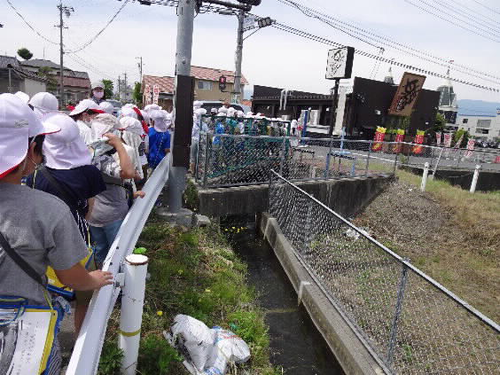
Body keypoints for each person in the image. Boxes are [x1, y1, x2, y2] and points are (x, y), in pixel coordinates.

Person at [0, 93, 113, 373]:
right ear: (31, 150)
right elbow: (70, 276)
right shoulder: (47, 209)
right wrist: (93, 279)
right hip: (22, 327)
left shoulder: (41, 182)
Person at [25, 112, 107, 334]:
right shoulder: (89, 171)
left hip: (42, 241)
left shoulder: (36, 173)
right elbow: (90, 208)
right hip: (78, 240)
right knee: (84, 297)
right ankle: (81, 343)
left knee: (46, 294)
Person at [88, 114, 136, 265]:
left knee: (100, 250)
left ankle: (100, 283)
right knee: (116, 253)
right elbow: (127, 173)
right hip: (112, 214)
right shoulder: (101, 158)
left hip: (92, 214)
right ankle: (113, 283)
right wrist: (119, 145)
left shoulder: (85, 153)